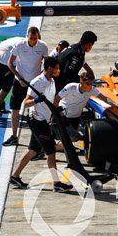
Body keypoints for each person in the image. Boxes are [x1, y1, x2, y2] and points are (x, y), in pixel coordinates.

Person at [9, 57, 73, 193]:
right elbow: (25, 104)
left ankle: (14, 176)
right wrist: (37, 100)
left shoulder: (52, 80)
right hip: (37, 121)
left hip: (44, 120)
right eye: (56, 68)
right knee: (51, 152)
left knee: (32, 150)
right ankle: (57, 183)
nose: (58, 70)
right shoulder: (37, 82)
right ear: (49, 68)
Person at [3, 26, 49, 147]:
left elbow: (47, 63)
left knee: (37, 112)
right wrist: (19, 77)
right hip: (20, 82)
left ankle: (38, 141)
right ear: (27, 36)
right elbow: (10, 63)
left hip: (35, 84)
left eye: (35, 38)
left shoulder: (43, 46)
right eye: (31, 38)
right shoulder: (19, 45)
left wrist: (40, 77)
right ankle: (14, 136)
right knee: (15, 109)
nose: (33, 41)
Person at [0, 36, 23, 115]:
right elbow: (11, 64)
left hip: (10, 59)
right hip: (0, 57)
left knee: (7, 83)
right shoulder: (20, 46)